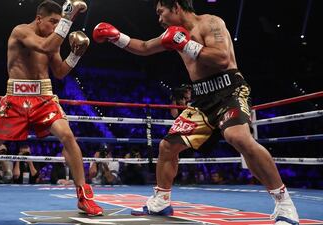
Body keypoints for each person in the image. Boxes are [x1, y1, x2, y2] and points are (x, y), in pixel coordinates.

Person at [92, 0, 299, 223]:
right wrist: (115, 36)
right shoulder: (172, 34)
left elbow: (222, 59)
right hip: (201, 98)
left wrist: (184, 43)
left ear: (176, 7)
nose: (159, 19)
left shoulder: (210, 23)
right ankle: (161, 201)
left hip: (229, 89)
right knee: (167, 146)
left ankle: (284, 204)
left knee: (238, 136)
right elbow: (143, 47)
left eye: (161, 12)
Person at [0, 0, 103, 216]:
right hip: (16, 98)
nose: (56, 27)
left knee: (67, 135)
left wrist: (76, 54)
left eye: (58, 23)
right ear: (39, 18)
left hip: (44, 97)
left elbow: (60, 72)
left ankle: (83, 196)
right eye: (52, 22)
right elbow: (45, 47)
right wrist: (68, 17)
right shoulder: (20, 31)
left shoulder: (51, 39)